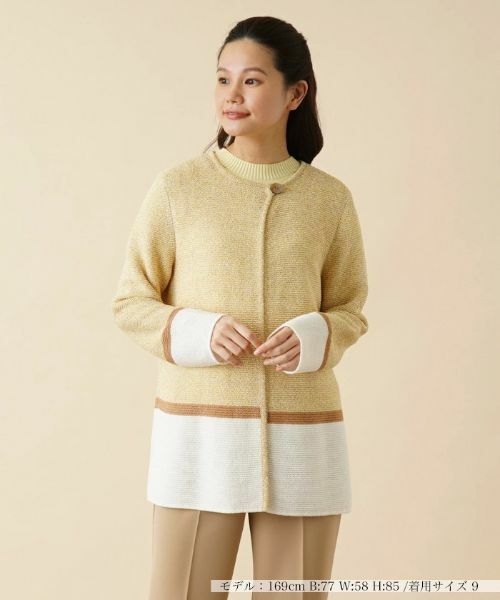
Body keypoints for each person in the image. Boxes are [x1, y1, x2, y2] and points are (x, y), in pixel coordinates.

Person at [111, 15, 369, 600]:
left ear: (295, 94)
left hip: (302, 439)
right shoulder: (178, 188)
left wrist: (316, 335)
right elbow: (131, 301)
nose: (232, 95)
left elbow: (350, 307)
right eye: (223, 79)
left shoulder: (329, 199)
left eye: (251, 81)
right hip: (200, 438)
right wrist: (196, 332)